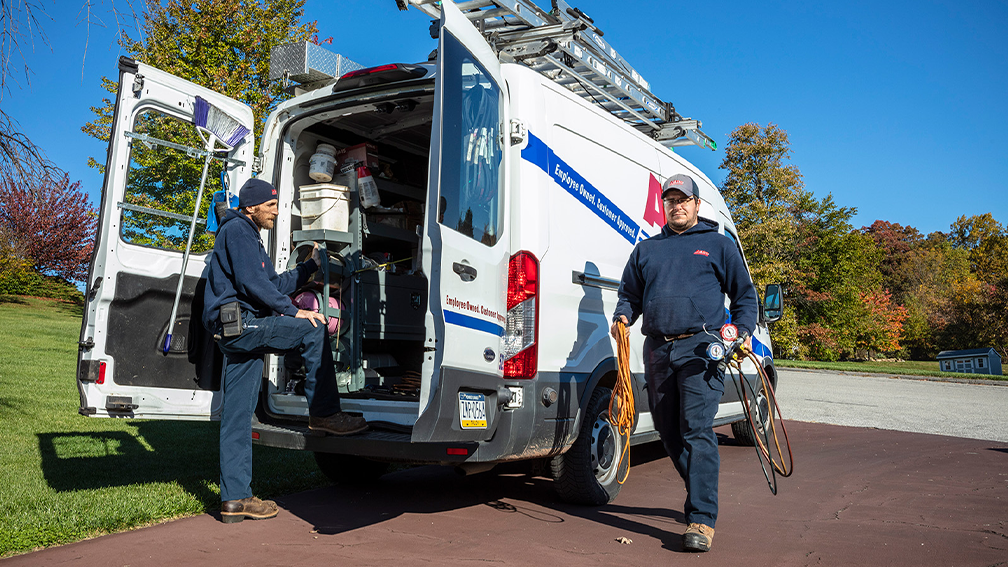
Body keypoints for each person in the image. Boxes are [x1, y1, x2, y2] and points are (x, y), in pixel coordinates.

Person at [202, 178, 368, 524]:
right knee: (313, 329)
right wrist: (296, 311)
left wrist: (308, 269)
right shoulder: (238, 232)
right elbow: (254, 285)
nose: (277, 212)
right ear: (251, 207)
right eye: (271, 206)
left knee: (236, 417)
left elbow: (272, 284)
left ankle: (235, 500)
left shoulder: (246, 235)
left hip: (238, 330)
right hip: (242, 325)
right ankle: (324, 413)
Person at [610, 173, 757, 552]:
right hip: (657, 349)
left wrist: (738, 332)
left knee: (695, 429)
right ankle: (699, 489)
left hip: (701, 349)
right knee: (667, 431)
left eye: (683, 199)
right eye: (670, 200)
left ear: (696, 205)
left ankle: (701, 519)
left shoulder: (718, 245)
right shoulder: (646, 250)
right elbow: (629, 294)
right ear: (665, 205)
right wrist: (623, 316)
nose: (677, 206)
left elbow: (745, 298)